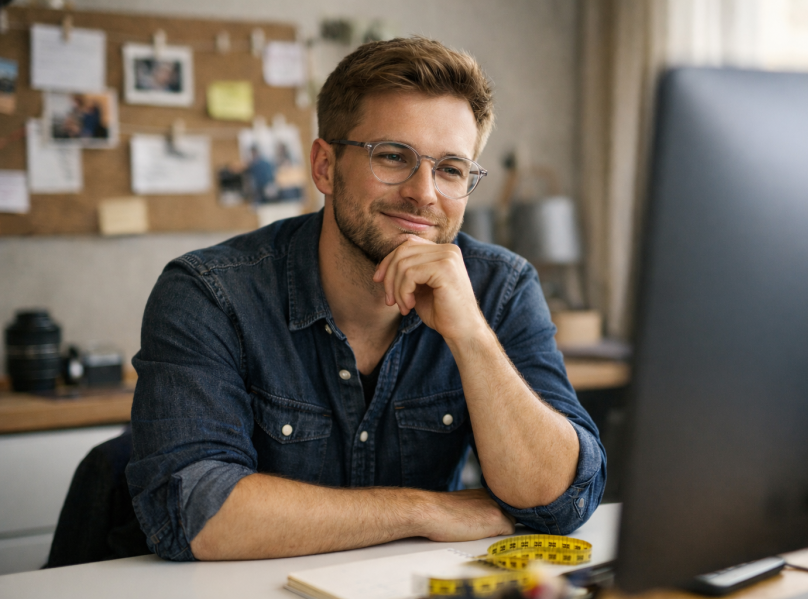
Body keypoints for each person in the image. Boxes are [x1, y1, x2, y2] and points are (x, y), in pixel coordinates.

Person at [126, 36, 606, 562]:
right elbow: (193, 511)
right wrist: (424, 511)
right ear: (325, 167)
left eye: (450, 169)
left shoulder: (501, 288)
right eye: (394, 156)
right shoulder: (209, 293)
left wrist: (471, 336)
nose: (424, 193)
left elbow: (562, 499)